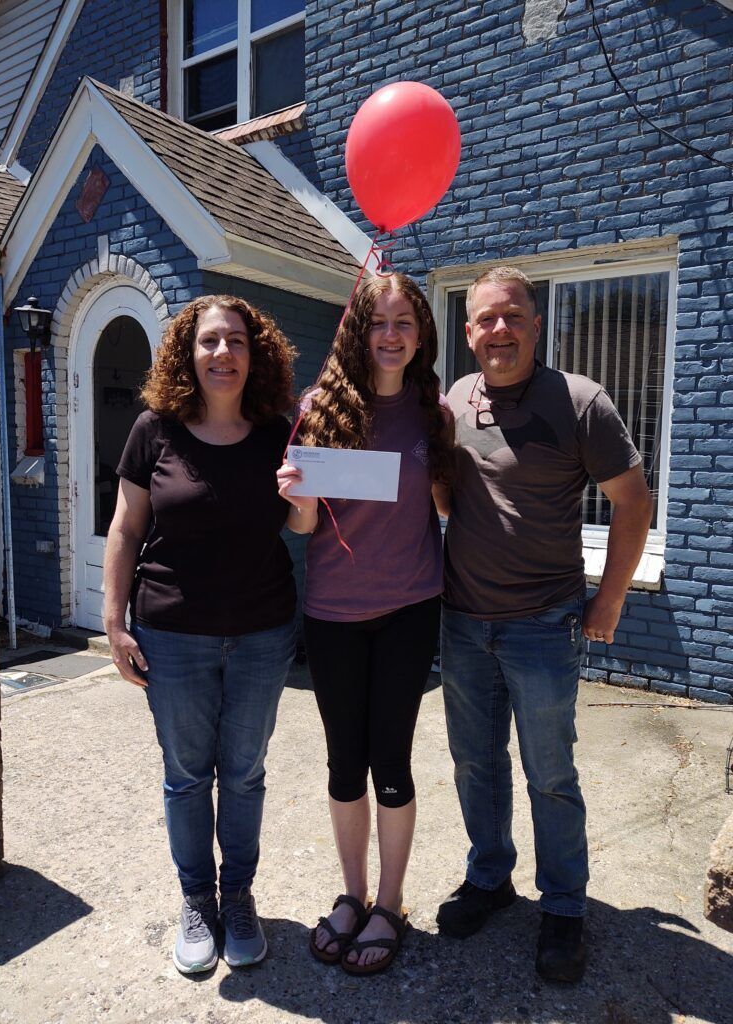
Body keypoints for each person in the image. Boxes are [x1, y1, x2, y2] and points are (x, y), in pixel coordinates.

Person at [436, 266, 653, 983]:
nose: (499, 329)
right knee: (475, 762)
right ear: (469, 332)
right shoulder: (454, 402)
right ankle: (490, 876)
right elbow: (449, 501)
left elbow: (633, 502)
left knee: (550, 773)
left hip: (543, 624)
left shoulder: (580, 401)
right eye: (485, 319)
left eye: (512, 316)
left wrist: (609, 601)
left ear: (536, 323)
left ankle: (563, 904)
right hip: (464, 621)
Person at [103, 294, 298, 975]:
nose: (223, 353)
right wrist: (113, 622)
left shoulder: (278, 433)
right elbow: (126, 528)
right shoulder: (154, 430)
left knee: (243, 774)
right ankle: (196, 899)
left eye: (236, 340)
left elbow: (302, 523)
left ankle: (237, 896)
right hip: (173, 634)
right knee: (187, 777)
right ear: (188, 353)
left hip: (262, 632)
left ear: (255, 353)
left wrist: (307, 492)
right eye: (210, 341)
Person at [277, 272, 453, 976]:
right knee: (344, 762)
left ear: (421, 333)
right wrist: (297, 497)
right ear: (358, 330)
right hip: (334, 613)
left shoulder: (433, 412)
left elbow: (445, 505)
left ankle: (390, 902)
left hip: (410, 607)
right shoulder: (316, 408)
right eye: (378, 321)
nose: (390, 334)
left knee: (392, 760)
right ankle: (351, 895)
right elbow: (304, 526)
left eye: (404, 321)